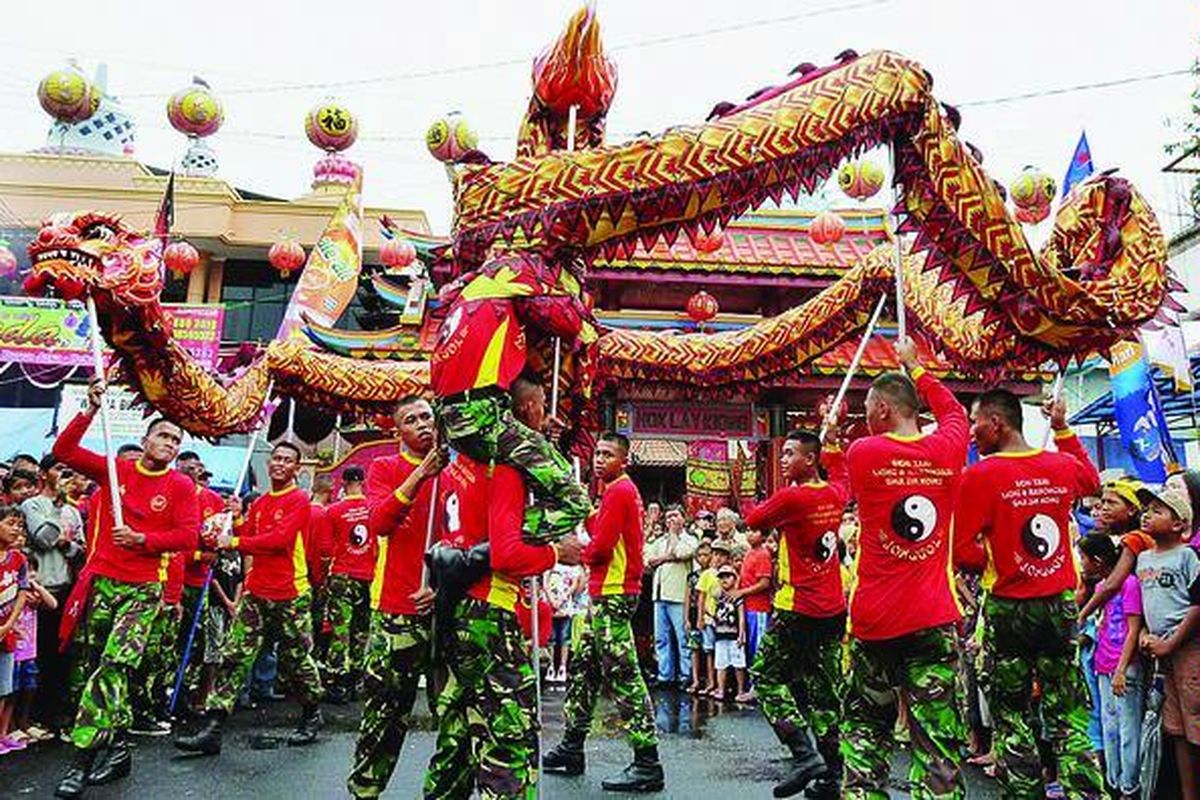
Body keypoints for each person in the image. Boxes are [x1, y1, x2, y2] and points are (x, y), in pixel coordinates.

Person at [952, 389, 1104, 798]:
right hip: (1059, 606)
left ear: (996, 423)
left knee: (1011, 714)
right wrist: (1062, 428)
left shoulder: (979, 475)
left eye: (974, 421)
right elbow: (1091, 482)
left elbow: (963, 553)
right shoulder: (1058, 463)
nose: (971, 432)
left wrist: (993, 546)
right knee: (1068, 712)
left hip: (1009, 609)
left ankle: (1024, 792)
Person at [52, 381, 200, 798]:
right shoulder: (115, 471)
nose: (169, 444)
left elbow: (188, 538)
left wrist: (143, 541)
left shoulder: (181, 487)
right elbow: (64, 453)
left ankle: (80, 762)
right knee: (96, 668)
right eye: (163, 436)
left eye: (175, 439)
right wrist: (89, 411)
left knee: (113, 667)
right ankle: (118, 749)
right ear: (145, 438)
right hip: (103, 581)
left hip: (143, 590)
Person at [840, 337, 969, 799]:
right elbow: (953, 413)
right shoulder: (949, 449)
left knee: (864, 729)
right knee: (936, 739)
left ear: (879, 413)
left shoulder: (864, 454)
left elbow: (840, 478)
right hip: (932, 617)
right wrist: (916, 366)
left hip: (876, 618)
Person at [423, 449, 584, 799]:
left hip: (458, 608)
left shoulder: (454, 469)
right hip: (490, 610)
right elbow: (506, 554)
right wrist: (556, 553)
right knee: (511, 735)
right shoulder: (502, 471)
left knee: (459, 729)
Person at [174, 441, 323, 757]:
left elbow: (278, 541)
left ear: (297, 468)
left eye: (287, 460)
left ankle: (312, 712)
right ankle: (214, 727)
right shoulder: (264, 501)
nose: (280, 464)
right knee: (235, 655)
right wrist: (238, 517)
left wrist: (234, 539)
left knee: (295, 659)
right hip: (257, 592)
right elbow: (251, 534)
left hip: (290, 592)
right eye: (276, 459)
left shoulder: (299, 500)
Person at [431, 259, 592, 544]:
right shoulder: (513, 275)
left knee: (525, 474)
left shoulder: (467, 297)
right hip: (481, 415)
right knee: (576, 501)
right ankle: (500, 538)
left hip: (449, 420)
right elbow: (567, 320)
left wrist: (535, 430)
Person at [542, 432, 664, 793]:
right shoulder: (614, 492)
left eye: (608, 455)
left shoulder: (619, 490)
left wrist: (564, 550)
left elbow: (599, 549)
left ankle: (647, 762)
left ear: (623, 460)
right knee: (584, 670)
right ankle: (571, 746)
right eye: (597, 453)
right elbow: (600, 530)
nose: (599, 460)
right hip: (604, 591)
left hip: (614, 591)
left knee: (624, 675)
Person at [345, 396, 444, 799]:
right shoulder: (385, 468)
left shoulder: (458, 470)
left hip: (448, 606)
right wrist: (421, 473)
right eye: (412, 419)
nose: (422, 424)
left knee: (455, 712)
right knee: (386, 711)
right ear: (397, 430)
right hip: (397, 607)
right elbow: (381, 521)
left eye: (427, 417)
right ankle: (365, 790)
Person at [744, 428, 849, 798]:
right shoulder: (835, 494)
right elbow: (842, 475)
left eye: (790, 454)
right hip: (833, 607)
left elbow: (754, 519)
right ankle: (831, 776)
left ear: (809, 459)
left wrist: (780, 499)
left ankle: (804, 754)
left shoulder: (792, 497)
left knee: (766, 677)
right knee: (824, 691)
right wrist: (834, 444)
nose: (784, 459)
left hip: (799, 607)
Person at [1132, 483, 1200, 800]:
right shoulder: (1143, 559)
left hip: (1188, 650)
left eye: (1157, 511)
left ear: (1179, 524)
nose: (1147, 515)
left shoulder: (1187, 556)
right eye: (1146, 510)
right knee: (1175, 729)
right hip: (1159, 652)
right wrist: (1146, 634)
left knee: (1196, 720)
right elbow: (1147, 604)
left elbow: (1197, 604)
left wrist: (1172, 643)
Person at [1078, 533, 1143, 799]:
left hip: (1122, 667)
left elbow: (1133, 629)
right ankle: (1114, 783)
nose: (1081, 563)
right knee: (1110, 725)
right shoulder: (1103, 585)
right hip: (1103, 663)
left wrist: (1120, 669)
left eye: (1083, 558)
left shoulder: (1128, 584)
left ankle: (1130, 785)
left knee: (1128, 728)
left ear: (1098, 559)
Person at [19, 460, 81, 734]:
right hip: (39, 590)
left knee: (62, 654)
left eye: (69, 470)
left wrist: (66, 543)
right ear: (44, 474)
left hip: (66, 588)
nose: (65, 474)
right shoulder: (32, 506)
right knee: (39, 655)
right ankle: (35, 715)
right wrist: (64, 538)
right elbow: (44, 537)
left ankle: (56, 711)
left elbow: (81, 550)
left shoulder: (73, 511)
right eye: (59, 469)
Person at [322, 466, 374, 704]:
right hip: (368, 574)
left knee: (340, 629)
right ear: (363, 481)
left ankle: (337, 681)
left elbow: (326, 548)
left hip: (342, 574)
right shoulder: (373, 508)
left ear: (343, 483)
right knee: (362, 629)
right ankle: (356, 678)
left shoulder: (333, 511)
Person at [644, 504, 698, 688]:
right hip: (659, 595)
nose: (671, 520)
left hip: (679, 595)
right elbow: (648, 560)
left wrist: (674, 538)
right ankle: (665, 675)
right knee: (661, 638)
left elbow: (681, 553)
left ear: (684, 518)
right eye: (668, 517)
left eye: (675, 516)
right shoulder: (659, 541)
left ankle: (685, 675)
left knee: (682, 637)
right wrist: (667, 557)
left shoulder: (690, 539)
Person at [10, 556, 57, 747]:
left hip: (29, 651)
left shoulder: (34, 596)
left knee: (29, 685)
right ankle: (10, 727)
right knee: (9, 690)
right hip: (11, 650)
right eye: (26, 570)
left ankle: (24, 721)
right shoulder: (11, 594)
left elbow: (53, 604)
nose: (31, 574)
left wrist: (37, 586)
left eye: (33, 570)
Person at [0, 505, 29, 755]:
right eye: (11, 523)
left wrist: (9, 624)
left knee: (3, 687)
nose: (16, 530)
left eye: (20, 525)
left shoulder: (19, 559)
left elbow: (22, 591)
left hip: (6, 632)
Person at [734, 524, 772, 697]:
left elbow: (764, 583)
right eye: (747, 530)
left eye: (754, 531)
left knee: (758, 648)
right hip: (747, 607)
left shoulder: (763, 554)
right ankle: (751, 686)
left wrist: (741, 592)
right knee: (748, 647)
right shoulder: (749, 552)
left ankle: (757, 687)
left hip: (759, 608)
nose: (750, 534)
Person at [696, 540, 732, 696]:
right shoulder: (707, 574)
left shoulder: (730, 574)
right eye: (715, 554)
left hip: (725, 619)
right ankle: (711, 682)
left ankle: (723, 684)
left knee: (723, 650)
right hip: (710, 617)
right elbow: (701, 598)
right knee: (709, 650)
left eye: (722, 555)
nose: (718, 558)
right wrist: (700, 617)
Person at [711, 565, 747, 702]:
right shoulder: (719, 597)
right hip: (720, 635)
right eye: (721, 577)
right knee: (720, 664)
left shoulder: (737, 597)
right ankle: (721, 689)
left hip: (734, 635)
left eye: (728, 576)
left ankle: (740, 690)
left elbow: (741, 616)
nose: (724, 580)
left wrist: (741, 634)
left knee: (738, 663)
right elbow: (713, 593)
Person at [684, 539, 711, 694]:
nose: (702, 559)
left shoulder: (715, 574)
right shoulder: (692, 576)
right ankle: (695, 680)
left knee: (708, 649)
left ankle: (709, 680)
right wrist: (686, 618)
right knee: (694, 647)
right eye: (699, 555)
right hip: (694, 613)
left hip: (709, 614)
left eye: (706, 555)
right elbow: (687, 597)